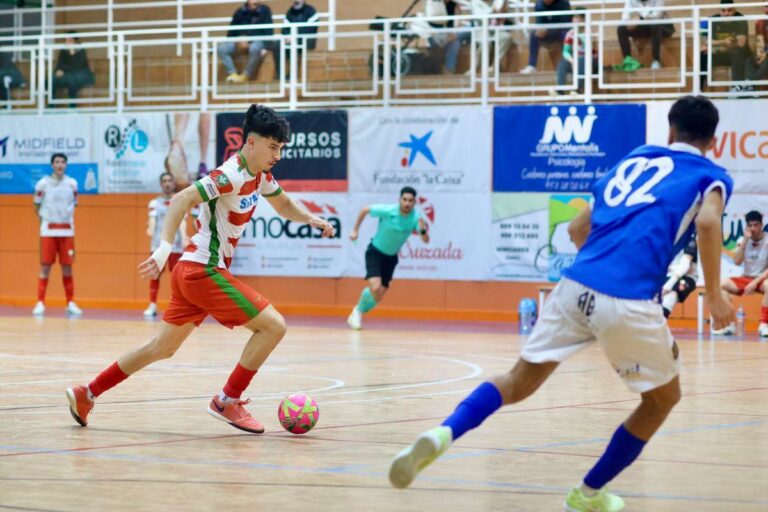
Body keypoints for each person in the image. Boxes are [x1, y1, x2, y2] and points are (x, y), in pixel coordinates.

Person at [388, 95, 734, 512]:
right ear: (713, 141)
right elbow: (710, 221)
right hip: (627, 298)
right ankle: (586, 495)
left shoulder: (634, 161)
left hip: (574, 284)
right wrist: (713, 295)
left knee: (516, 381)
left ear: (670, 131)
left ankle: (444, 433)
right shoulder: (709, 175)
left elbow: (575, 229)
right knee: (661, 400)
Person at [65, 105, 336, 434]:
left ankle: (87, 394)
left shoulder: (260, 175)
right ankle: (227, 401)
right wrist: (164, 249)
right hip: (201, 270)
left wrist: (311, 218)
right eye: (273, 147)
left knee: (160, 348)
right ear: (251, 143)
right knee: (273, 327)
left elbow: (282, 204)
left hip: (194, 272)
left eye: (281, 148)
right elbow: (180, 199)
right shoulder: (230, 175)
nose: (278, 154)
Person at [347, 187, 430, 330]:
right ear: (399, 200)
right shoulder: (388, 211)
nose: (407, 203)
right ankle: (357, 312)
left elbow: (426, 240)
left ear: (414, 202)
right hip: (375, 252)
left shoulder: (417, 218)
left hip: (391, 258)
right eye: (404, 200)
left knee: (378, 296)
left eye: (410, 201)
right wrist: (355, 230)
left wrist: (422, 230)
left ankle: (357, 311)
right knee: (375, 287)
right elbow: (365, 209)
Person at [33, 153, 82, 316]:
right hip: (48, 230)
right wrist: (44, 222)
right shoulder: (42, 184)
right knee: (45, 266)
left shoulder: (72, 184)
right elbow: (36, 205)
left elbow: (74, 204)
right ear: (52, 165)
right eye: (57, 162)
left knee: (67, 267)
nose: (60, 165)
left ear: (66, 165)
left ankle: (70, 302)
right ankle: (40, 302)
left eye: (63, 162)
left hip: (67, 230)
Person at [714, 210, 768, 337]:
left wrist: (755, 283)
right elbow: (737, 261)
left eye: (756, 225)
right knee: (720, 285)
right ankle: (729, 324)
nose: (753, 228)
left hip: (761, 279)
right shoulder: (742, 240)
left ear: (761, 225)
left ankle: (764, 325)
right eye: (750, 225)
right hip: (745, 278)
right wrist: (744, 241)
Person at [143, 173, 188, 318]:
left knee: (177, 277)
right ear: (161, 184)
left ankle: (179, 305)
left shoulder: (180, 201)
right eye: (164, 181)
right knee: (154, 275)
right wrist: (150, 228)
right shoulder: (154, 203)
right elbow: (152, 220)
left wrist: (185, 236)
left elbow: (182, 221)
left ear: (174, 183)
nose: (167, 183)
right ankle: (152, 305)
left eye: (170, 180)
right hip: (158, 246)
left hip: (175, 246)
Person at [701, 0, 752, 92]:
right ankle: (699, 88)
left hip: (738, 56)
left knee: (737, 52)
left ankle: (737, 87)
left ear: (734, 10)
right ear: (719, 10)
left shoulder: (739, 18)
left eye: (729, 10)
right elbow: (707, 41)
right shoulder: (714, 19)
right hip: (721, 53)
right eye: (723, 11)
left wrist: (716, 46)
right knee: (703, 54)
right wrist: (723, 42)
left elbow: (741, 43)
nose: (726, 14)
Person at [218, 0, 274, 84]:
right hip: (240, 41)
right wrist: (237, 40)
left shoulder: (265, 10)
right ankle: (233, 74)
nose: (255, 2)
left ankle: (246, 74)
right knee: (221, 49)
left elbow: (269, 30)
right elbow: (231, 32)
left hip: (257, 40)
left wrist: (266, 47)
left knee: (254, 48)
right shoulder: (240, 12)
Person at [614, 0, 674, 72]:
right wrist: (629, 23)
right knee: (621, 29)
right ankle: (628, 60)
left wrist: (638, 20)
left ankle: (656, 60)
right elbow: (624, 18)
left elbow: (656, 16)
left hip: (663, 26)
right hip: (645, 25)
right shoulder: (632, 1)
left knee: (655, 24)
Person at [551, 9, 596, 95]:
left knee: (581, 60)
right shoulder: (570, 33)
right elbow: (565, 52)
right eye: (574, 18)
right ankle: (560, 90)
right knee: (562, 64)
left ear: (584, 20)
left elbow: (590, 49)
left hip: (590, 60)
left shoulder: (590, 32)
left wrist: (579, 35)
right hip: (575, 61)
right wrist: (571, 60)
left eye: (578, 18)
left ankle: (578, 89)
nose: (575, 20)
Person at [520, 0, 571, 75]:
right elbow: (539, 21)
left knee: (567, 35)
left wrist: (549, 29)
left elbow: (565, 22)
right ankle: (531, 65)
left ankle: (569, 66)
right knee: (534, 34)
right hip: (548, 32)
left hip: (561, 30)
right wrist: (540, 29)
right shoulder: (539, 4)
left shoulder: (563, 3)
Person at [426, 0, 473, 74]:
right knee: (455, 43)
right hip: (454, 34)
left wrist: (453, 34)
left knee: (454, 38)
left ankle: (448, 69)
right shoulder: (440, 6)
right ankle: (449, 70)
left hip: (472, 29)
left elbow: (466, 22)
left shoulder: (467, 4)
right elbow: (456, 24)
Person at [52, 31, 95, 108]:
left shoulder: (80, 50)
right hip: (67, 74)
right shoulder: (63, 51)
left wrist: (72, 53)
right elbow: (60, 63)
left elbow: (77, 66)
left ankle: (72, 106)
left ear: (75, 41)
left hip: (81, 75)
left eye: (69, 40)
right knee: (52, 79)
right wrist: (59, 70)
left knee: (72, 80)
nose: (67, 42)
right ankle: (51, 104)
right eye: (66, 40)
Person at [280, 0, 319, 79]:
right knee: (278, 44)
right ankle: (279, 74)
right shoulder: (290, 12)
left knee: (293, 43)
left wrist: (294, 36)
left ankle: (293, 74)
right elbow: (284, 29)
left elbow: (311, 29)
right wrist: (288, 35)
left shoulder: (311, 11)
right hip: (291, 40)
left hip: (307, 40)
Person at [661, 236, 698, 318]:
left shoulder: (689, 240)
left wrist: (669, 285)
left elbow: (685, 265)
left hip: (686, 278)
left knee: (670, 295)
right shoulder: (664, 238)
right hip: (667, 275)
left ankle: (658, 323)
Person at [746, 2, 768, 82]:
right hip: (765, 51)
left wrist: (766, 54)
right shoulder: (760, 22)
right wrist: (760, 54)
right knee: (749, 61)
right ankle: (750, 88)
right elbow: (760, 41)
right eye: (766, 6)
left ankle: (747, 84)